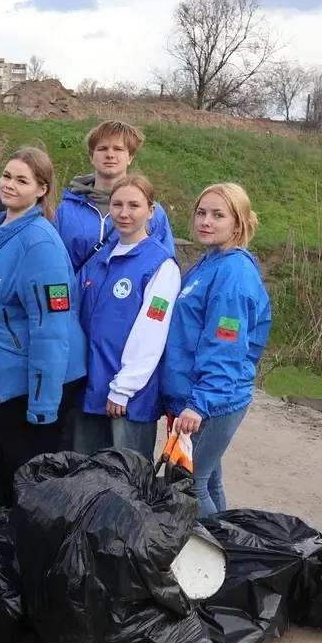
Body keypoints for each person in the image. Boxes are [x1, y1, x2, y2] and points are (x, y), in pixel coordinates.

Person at [0, 147, 86, 505]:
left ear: (41, 190)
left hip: (25, 383)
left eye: (22, 180)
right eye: (7, 176)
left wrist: (43, 404)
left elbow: (52, 330)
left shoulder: (40, 243)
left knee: (21, 484)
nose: (10, 185)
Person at [163, 183, 271, 516]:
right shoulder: (211, 261)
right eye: (201, 213)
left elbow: (226, 344)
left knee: (190, 485)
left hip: (213, 400)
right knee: (208, 482)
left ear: (238, 223)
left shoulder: (233, 274)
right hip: (199, 393)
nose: (206, 221)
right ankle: (229, 543)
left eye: (218, 215)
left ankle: (217, 548)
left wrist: (200, 403)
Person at [74, 175, 180, 459]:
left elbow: (152, 331)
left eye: (134, 205)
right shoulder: (100, 257)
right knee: (84, 476)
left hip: (127, 399)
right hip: (91, 389)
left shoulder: (160, 265)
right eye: (117, 204)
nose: (124, 213)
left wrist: (124, 387)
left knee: (125, 477)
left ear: (151, 211)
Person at [52, 120, 174, 271]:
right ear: (91, 156)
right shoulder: (64, 208)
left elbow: (164, 265)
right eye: (102, 149)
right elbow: (52, 263)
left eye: (118, 149)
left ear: (130, 157)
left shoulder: (153, 213)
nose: (110, 155)